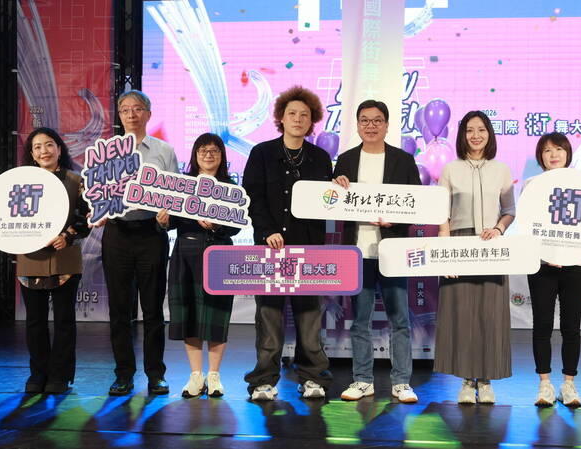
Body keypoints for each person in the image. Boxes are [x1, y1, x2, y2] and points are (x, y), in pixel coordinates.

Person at [0, 127, 90, 394]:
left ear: (59, 148)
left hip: (64, 260)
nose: (43, 151)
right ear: (31, 154)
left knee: (63, 322)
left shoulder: (76, 181)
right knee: (34, 322)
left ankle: (59, 376)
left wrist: (68, 236)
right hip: (29, 259)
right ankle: (38, 374)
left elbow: (88, 217)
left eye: (49, 145)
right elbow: (2, 215)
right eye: (37, 147)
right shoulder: (18, 182)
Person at [242, 85, 333, 400]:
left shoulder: (321, 158)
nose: (297, 119)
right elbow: (252, 198)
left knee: (309, 318)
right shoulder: (261, 153)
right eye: (292, 113)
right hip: (271, 249)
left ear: (312, 121)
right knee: (269, 316)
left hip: (308, 250)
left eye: (304, 115)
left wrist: (338, 188)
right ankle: (264, 380)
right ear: (281, 117)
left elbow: (327, 202)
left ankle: (313, 377)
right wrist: (267, 230)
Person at [332, 100, 421, 403]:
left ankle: (401, 382)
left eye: (377, 120)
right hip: (357, 253)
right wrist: (335, 187)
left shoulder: (403, 160)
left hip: (392, 250)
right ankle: (362, 380)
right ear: (357, 124)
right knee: (360, 320)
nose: (371, 126)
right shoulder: (345, 160)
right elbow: (331, 202)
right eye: (365, 120)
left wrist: (396, 219)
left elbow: (417, 203)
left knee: (400, 319)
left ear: (387, 125)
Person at [97, 90, 179, 396]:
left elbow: (175, 194)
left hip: (151, 234)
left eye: (137, 109)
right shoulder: (106, 152)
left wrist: (167, 213)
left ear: (148, 113)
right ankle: (123, 374)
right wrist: (98, 209)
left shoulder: (164, 150)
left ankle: (156, 374)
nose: (131, 114)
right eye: (125, 110)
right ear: (119, 115)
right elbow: (95, 191)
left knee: (153, 309)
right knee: (119, 309)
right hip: (116, 233)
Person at [434, 110, 516, 404]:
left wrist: (498, 229)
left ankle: (487, 379)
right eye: (470, 130)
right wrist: (445, 252)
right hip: (459, 243)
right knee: (463, 314)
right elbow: (441, 212)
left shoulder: (501, 170)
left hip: (491, 245)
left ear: (489, 134)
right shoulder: (450, 169)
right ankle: (467, 381)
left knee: (490, 314)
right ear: (462, 135)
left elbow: (509, 211)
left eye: (481, 129)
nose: (476, 135)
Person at [155, 133, 240, 398]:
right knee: (188, 315)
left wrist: (217, 225)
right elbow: (173, 221)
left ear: (222, 156)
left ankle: (214, 375)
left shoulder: (230, 187)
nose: (208, 155)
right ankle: (195, 375)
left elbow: (236, 226)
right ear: (195, 155)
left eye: (214, 150)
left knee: (217, 315)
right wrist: (164, 221)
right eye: (203, 150)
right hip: (186, 252)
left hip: (219, 253)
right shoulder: (183, 185)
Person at [526, 132, 581, 408]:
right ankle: (544, 384)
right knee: (542, 325)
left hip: (575, 265)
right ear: (540, 157)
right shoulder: (531, 185)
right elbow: (527, 226)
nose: (553, 154)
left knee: (571, 327)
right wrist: (544, 253)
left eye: (558, 149)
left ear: (568, 153)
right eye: (547, 150)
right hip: (541, 266)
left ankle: (569, 384)